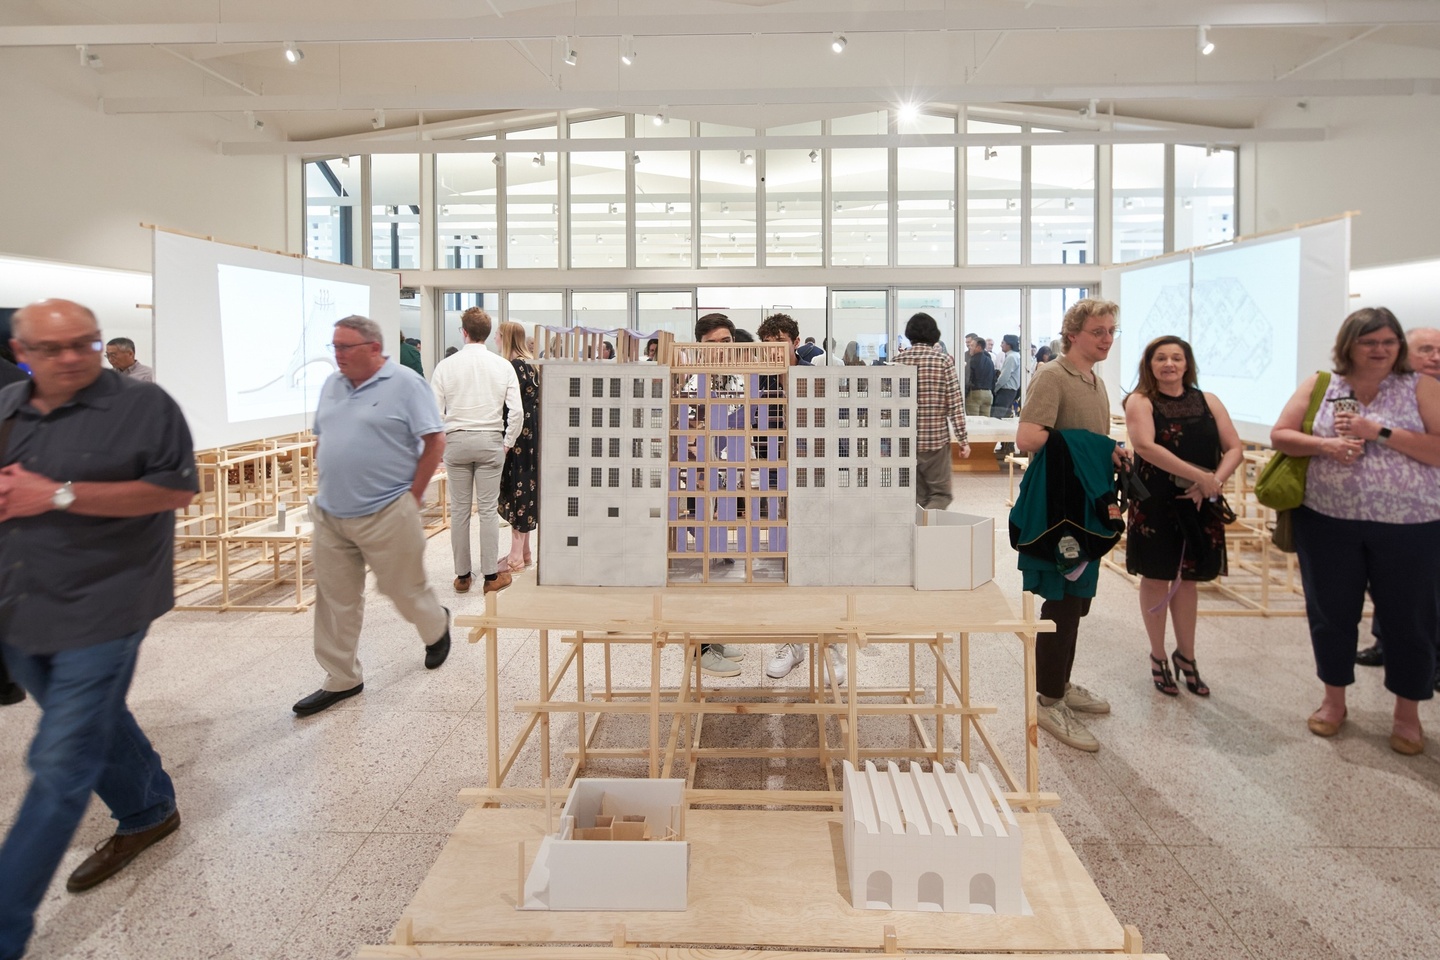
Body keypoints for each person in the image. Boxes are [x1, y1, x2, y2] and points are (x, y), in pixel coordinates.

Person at [0, 299, 198, 957]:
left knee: (59, 759)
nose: (73, 358)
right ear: (21, 351)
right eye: (53, 349)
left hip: (107, 603)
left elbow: (173, 491)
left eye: (83, 344)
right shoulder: (8, 408)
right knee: (87, 718)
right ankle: (148, 810)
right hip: (22, 602)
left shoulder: (146, 406)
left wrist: (57, 495)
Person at [1272, 307, 1440, 755]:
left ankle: (1407, 714)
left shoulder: (1420, 386)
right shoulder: (1323, 385)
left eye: (1389, 342)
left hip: (1410, 526)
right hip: (1327, 521)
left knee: (1411, 618)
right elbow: (1281, 435)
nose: (1381, 350)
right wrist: (1326, 444)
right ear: (1349, 345)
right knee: (1331, 612)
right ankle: (1333, 701)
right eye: (1370, 342)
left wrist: (1379, 431)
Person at [292, 315, 452, 718]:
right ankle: (342, 677)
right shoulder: (332, 384)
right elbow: (323, 437)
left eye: (346, 347)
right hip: (332, 512)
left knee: (403, 591)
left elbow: (434, 440)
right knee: (334, 600)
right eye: (335, 347)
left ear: (374, 348)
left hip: (387, 510)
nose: (338, 355)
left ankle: (436, 627)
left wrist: (413, 497)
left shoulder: (405, 384)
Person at [1015, 298, 1127, 753]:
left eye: (1111, 331)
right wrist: (1092, 447)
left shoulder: (1093, 380)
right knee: (1062, 603)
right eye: (1098, 331)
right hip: (1061, 510)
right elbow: (1028, 438)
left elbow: (1085, 442)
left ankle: (1059, 682)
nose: (1107, 339)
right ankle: (1048, 698)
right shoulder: (1052, 376)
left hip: (1086, 506)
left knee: (1079, 601)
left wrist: (1110, 450)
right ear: (1073, 333)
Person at [1123, 336, 1243, 698]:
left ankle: (1187, 656)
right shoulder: (1140, 401)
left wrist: (1213, 481)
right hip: (1156, 501)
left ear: (1187, 364)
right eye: (1161, 358)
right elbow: (1145, 446)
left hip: (1200, 500)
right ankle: (1158, 655)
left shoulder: (1209, 400)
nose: (1169, 364)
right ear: (1150, 364)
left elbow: (1234, 448)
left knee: (1188, 579)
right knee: (1157, 576)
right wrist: (1200, 476)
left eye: (1177, 358)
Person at [756, 314, 843, 686]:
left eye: (780, 339)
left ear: (794, 341)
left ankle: (833, 646)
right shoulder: (757, 379)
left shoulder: (816, 372)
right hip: (777, 474)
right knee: (785, 563)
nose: (774, 347)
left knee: (823, 560)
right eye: (768, 341)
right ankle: (792, 644)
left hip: (816, 473)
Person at [1355, 324, 1440, 674]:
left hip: (1428, 508)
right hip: (1389, 512)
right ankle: (1384, 642)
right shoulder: (1389, 391)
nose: (1435, 356)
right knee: (1389, 583)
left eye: (1438, 350)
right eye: (1426, 350)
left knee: (1428, 588)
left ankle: (1432, 658)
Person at [431, 307, 523, 596]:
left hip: (456, 440)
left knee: (458, 510)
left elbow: (433, 411)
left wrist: (444, 438)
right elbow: (517, 412)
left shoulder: (446, 366)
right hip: (490, 441)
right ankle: (491, 577)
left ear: (464, 332)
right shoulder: (502, 366)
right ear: (486, 333)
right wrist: (508, 441)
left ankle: (461, 576)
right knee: (487, 510)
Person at [894, 312, 970, 510]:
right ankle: (930, 535)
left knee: (915, 496)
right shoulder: (943, 361)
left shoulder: (897, 361)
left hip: (905, 441)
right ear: (934, 334)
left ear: (909, 333)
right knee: (940, 494)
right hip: (935, 441)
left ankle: (916, 536)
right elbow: (955, 403)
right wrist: (963, 440)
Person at [497, 321, 538, 572]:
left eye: (498, 336)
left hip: (517, 437)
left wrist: (506, 441)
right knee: (527, 489)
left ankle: (515, 556)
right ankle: (524, 551)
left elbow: (511, 408)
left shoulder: (512, 367)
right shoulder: (532, 364)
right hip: (532, 435)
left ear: (507, 338)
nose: (495, 340)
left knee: (517, 490)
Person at [964, 333, 995, 417]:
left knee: (974, 423)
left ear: (979, 347)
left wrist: (964, 394)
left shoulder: (972, 360)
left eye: (972, 345)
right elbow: (993, 379)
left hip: (975, 394)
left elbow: (968, 378)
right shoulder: (990, 361)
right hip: (988, 395)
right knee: (986, 422)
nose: (969, 347)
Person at [991, 334, 1022, 418]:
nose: (1001, 345)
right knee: (1005, 417)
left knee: (997, 417)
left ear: (1009, 344)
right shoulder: (1017, 356)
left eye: (1003, 343)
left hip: (1006, 391)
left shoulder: (1011, 357)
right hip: (1012, 391)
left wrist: (996, 388)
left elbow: (1004, 377)